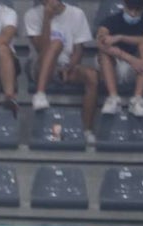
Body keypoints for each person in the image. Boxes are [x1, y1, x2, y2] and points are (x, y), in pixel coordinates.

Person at [25, 0, 99, 138]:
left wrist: (69, 67)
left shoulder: (77, 14)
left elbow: (78, 50)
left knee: (92, 76)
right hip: (39, 66)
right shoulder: (32, 15)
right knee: (56, 44)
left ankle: (86, 130)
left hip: (66, 66)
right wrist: (47, 19)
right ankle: (40, 94)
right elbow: (42, 49)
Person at [96, 0, 143, 118]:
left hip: (136, 68)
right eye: (130, 9)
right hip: (115, 66)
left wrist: (120, 37)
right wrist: (129, 58)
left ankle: (137, 99)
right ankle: (113, 98)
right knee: (103, 52)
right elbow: (101, 41)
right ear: (124, 6)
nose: (133, 14)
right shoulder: (111, 20)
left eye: (137, 10)